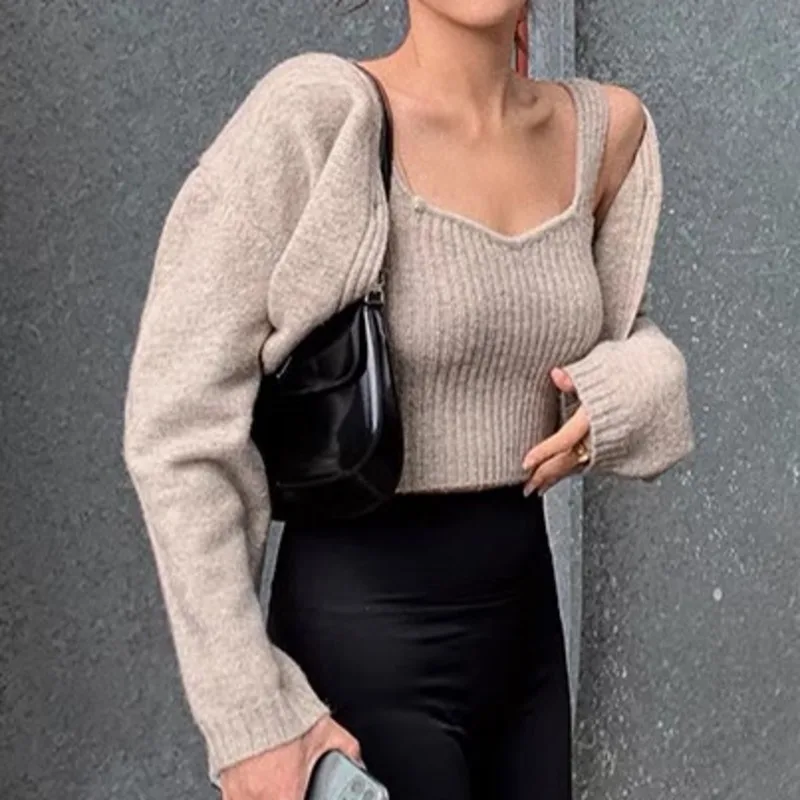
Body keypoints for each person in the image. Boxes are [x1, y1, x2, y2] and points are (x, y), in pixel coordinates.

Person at [122, 2, 695, 799]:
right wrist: (250, 715)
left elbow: (627, 333)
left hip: (527, 641)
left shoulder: (604, 132)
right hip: (358, 644)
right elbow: (178, 425)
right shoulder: (320, 118)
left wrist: (629, 390)